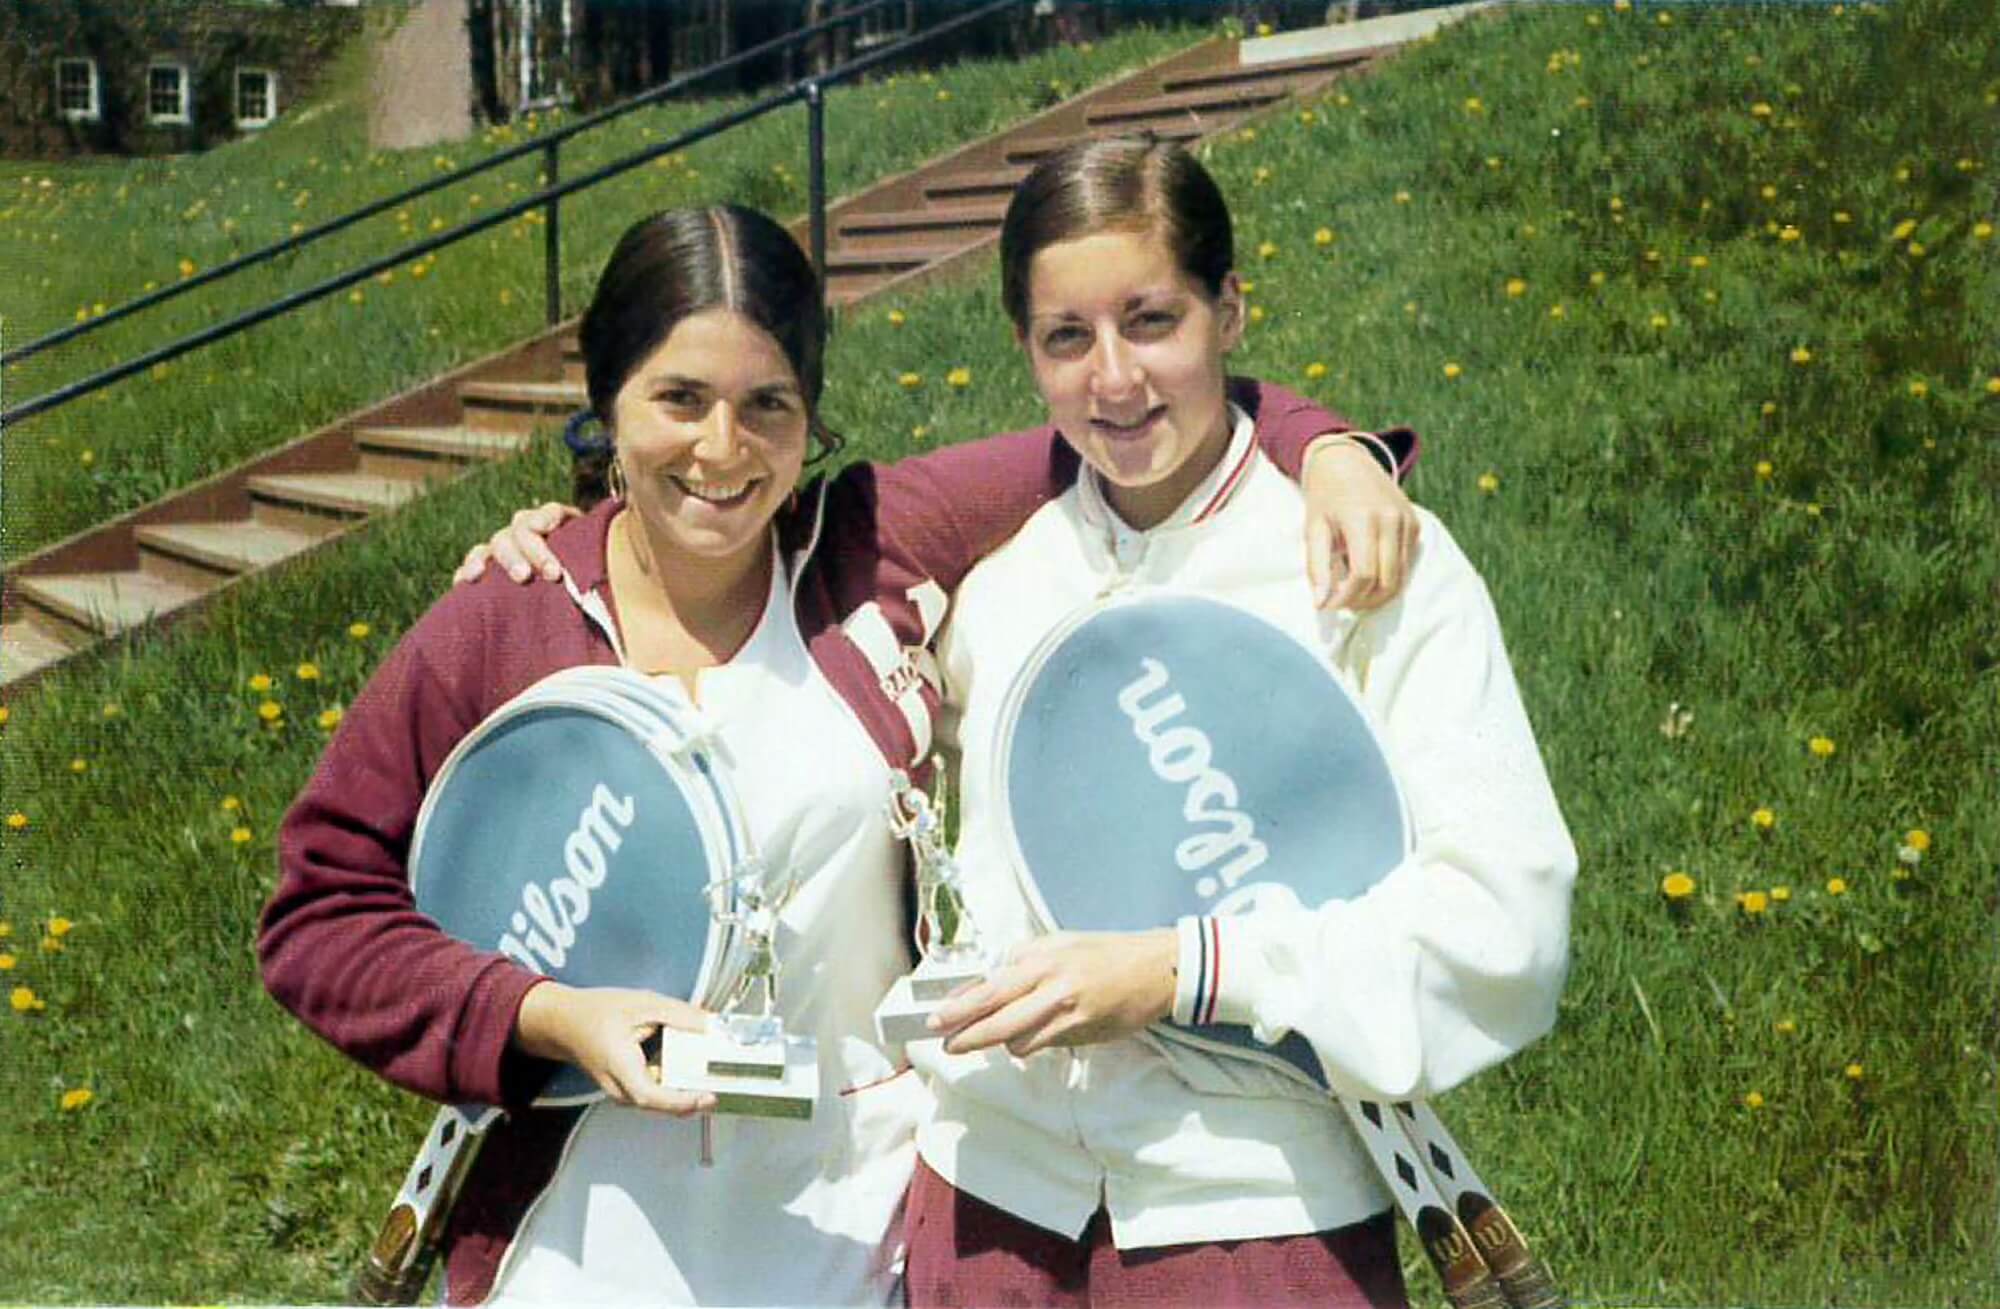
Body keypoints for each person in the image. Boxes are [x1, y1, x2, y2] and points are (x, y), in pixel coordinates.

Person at [472, 136, 1575, 1309]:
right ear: (1024, 352)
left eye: (1151, 320)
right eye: (1067, 338)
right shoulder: (996, 568)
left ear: (1229, 310)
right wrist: (582, 543)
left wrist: (1180, 971)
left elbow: (1503, 925)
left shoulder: (1363, 557)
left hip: (1251, 1217)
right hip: (982, 1211)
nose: (1113, 378)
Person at [262, 202, 1418, 1308]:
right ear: (606, 400)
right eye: (678, 398)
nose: (723, 449)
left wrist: (1326, 451)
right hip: (581, 1241)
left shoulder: (866, 543)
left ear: (811, 415)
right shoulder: (505, 617)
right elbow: (317, 915)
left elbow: (1125, 416)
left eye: (767, 404)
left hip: (862, 1235)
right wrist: (546, 1017)